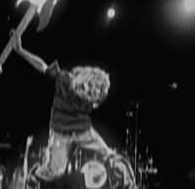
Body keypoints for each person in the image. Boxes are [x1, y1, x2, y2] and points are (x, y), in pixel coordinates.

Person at [11, 31, 136, 189]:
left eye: (93, 97)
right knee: (56, 171)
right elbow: (41, 66)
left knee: (111, 156)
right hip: (59, 132)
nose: (89, 99)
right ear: (81, 83)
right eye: (87, 93)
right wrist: (20, 50)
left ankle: (131, 186)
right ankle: (34, 177)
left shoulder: (97, 95)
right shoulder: (65, 79)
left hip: (84, 130)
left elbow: (96, 98)